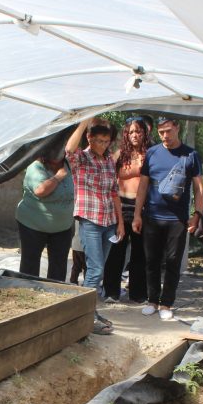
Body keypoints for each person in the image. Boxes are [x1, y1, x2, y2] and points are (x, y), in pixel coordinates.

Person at [132, 117, 203, 320]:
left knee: (173, 261)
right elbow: (143, 186)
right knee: (151, 260)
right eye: (161, 131)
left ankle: (166, 303)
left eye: (168, 131)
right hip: (152, 216)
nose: (165, 135)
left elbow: (199, 188)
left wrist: (197, 214)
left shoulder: (191, 155)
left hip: (178, 219)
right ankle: (152, 300)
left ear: (177, 128)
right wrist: (137, 214)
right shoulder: (152, 153)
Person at [65, 118, 123, 334]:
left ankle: (89, 311)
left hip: (109, 222)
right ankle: (85, 316)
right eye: (98, 140)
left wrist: (120, 223)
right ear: (89, 138)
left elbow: (114, 191)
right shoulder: (81, 159)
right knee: (95, 268)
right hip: (90, 220)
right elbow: (69, 149)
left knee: (97, 269)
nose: (102, 144)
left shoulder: (108, 160)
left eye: (106, 141)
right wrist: (84, 123)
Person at [103, 115, 151, 303]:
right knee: (116, 252)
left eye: (138, 131)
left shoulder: (150, 153)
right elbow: (108, 172)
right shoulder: (120, 154)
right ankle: (111, 291)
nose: (134, 135)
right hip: (120, 207)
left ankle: (138, 294)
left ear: (144, 133)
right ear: (126, 134)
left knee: (140, 253)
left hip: (142, 208)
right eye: (131, 131)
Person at [15, 148, 75, 281]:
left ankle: (54, 295)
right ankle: (28, 293)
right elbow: (40, 190)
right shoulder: (35, 167)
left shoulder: (68, 165)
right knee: (30, 265)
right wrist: (58, 177)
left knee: (59, 265)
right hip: (33, 225)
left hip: (62, 226)